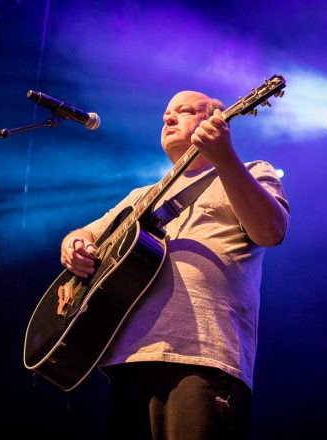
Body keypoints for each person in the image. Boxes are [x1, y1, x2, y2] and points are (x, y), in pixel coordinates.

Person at [60, 90, 290, 439]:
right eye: (166, 113)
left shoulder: (252, 171)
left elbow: (271, 231)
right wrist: (74, 245)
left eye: (183, 111)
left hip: (203, 358)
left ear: (218, 120)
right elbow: (85, 233)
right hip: (127, 360)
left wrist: (225, 157)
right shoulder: (142, 196)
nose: (167, 119)